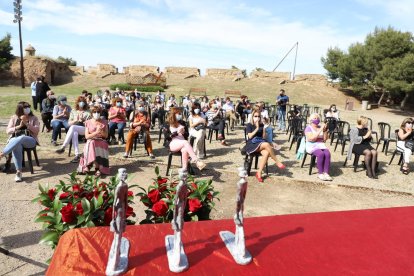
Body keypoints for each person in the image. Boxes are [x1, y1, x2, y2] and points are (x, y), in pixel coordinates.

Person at [1, 102, 39, 182]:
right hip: (14, 139)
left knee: (21, 137)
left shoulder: (34, 118)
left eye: (28, 107)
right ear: (20, 109)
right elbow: (8, 131)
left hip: (30, 140)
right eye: (25, 107)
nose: (28, 108)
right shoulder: (14, 117)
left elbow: (36, 131)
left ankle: (2, 154)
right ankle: (19, 172)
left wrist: (26, 124)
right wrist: (19, 126)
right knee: (17, 144)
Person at [245, 107, 285, 182]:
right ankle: (276, 161)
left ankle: (259, 173)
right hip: (251, 144)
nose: (257, 118)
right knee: (266, 145)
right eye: (255, 116)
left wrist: (263, 129)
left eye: (258, 116)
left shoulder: (261, 125)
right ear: (252, 117)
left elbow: (263, 138)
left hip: (260, 143)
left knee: (266, 152)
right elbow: (249, 136)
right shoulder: (249, 125)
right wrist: (256, 128)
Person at [168, 107, 206, 171]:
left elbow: (187, 134)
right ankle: (196, 160)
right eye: (178, 113)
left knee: (185, 149)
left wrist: (184, 132)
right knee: (185, 142)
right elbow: (167, 137)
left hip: (182, 143)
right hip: (173, 143)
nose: (180, 115)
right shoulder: (168, 123)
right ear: (174, 114)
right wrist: (177, 132)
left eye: (180, 113)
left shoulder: (182, 123)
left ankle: (184, 169)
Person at [55, 96, 91, 163]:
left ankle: (64, 146)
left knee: (73, 127)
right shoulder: (73, 111)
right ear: (77, 103)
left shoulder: (88, 111)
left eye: (83, 102)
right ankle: (77, 155)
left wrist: (83, 121)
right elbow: (69, 123)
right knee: (74, 132)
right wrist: (76, 120)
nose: (81, 103)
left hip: (85, 129)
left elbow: (91, 123)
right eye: (80, 102)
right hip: (75, 128)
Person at [78, 105, 109, 176]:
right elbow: (87, 136)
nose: (96, 113)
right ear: (92, 113)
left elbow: (106, 136)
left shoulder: (104, 122)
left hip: (101, 140)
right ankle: (97, 167)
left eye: (98, 112)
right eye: (95, 112)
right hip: (91, 140)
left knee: (92, 143)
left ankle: (89, 166)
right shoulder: (88, 122)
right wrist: (96, 132)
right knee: (91, 143)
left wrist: (101, 131)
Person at [304, 113, 332, 181]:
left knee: (327, 154)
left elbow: (325, 139)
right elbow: (312, 138)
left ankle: (326, 173)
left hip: (320, 144)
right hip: (311, 145)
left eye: (318, 118)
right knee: (321, 154)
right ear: (311, 120)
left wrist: (325, 130)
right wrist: (321, 129)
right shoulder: (308, 128)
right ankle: (320, 173)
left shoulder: (320, 127)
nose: (317, 120)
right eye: (315, 118)